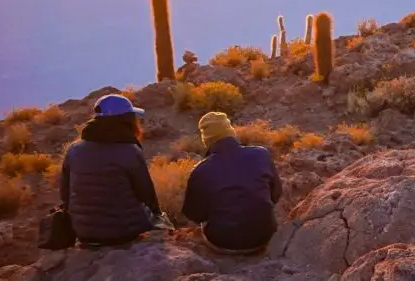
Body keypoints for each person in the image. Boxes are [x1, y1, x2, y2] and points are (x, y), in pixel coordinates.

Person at [60, 94, 163, 246]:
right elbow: (146, 193)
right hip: (124, 231)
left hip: (83, 232)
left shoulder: (74, 150)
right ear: (125, 121)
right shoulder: (130, 151)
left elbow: (65, 194)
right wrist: (157, 215)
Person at [182, 112, 282, 254]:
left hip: (223, 242)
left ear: (206, 140)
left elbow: (194, 215)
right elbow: (276, 194)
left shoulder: (201, 170)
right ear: (231, 132)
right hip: (265, 236)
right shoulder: (262, 154)